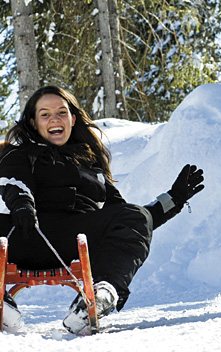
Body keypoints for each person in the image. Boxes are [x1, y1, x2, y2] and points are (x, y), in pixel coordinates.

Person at [0, 86, 204, 334]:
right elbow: (14, 182)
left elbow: (130, 218)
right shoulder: (18, 154)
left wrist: (175, 198)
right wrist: (22, 204)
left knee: (133, 216)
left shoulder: (90, 163)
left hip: (78, 239)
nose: (54, 119)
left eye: (61, 112)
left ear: (73, 119)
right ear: (33, 122)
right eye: (45, 114)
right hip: (28, 233)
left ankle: (100, 296)